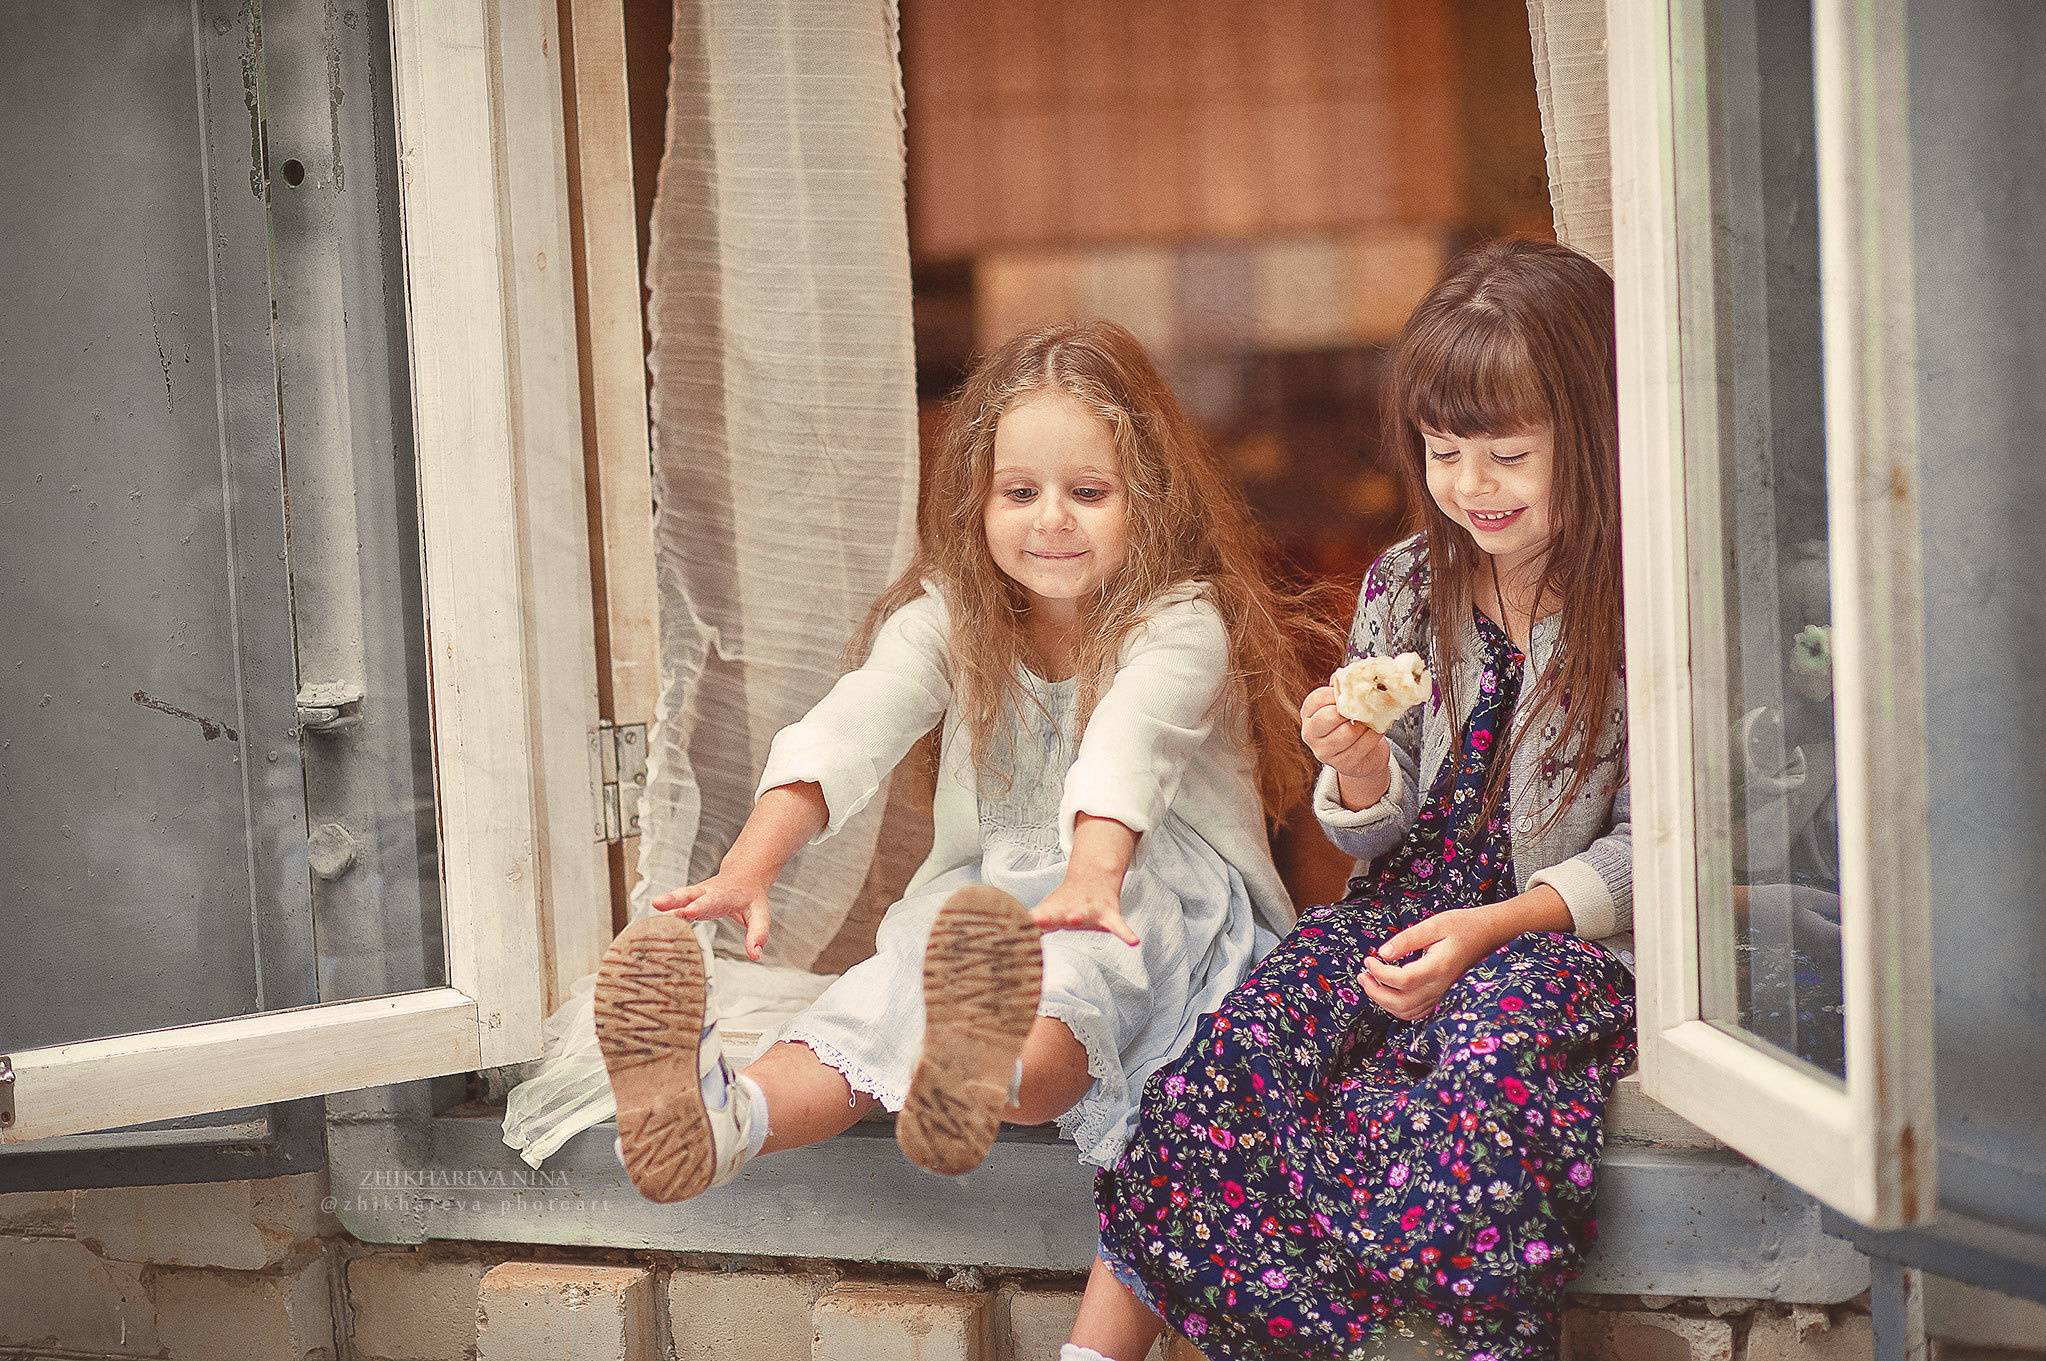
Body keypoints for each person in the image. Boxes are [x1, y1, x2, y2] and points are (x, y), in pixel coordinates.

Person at [593, 319, 1339, 1204]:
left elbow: (1128, 744)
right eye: (1020, 491)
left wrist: (1092, 877)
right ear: (976, 502)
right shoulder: (952, 618)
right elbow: (852, 724)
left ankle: (988, 1073)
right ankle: (727, 1120)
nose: (1051, 518)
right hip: (988, 907)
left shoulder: (1181, 624)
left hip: (1146, 895)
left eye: (1088, 491)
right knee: (874, 1001)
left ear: (1153, 498)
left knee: (1075, 976)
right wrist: (747, 867)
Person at [1068, 238, 1637, 1361]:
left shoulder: (1644, 601)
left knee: (1481, 1078)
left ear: (1597, 431)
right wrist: (1361, 768)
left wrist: (1496, 926)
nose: (1472, 487)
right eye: (1444, 451)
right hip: (1399, 917)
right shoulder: (1410, 583)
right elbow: (1376, 826)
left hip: (1556, 939)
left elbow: (1668, 843)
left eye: (1509, 455)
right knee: (1231, 1061)